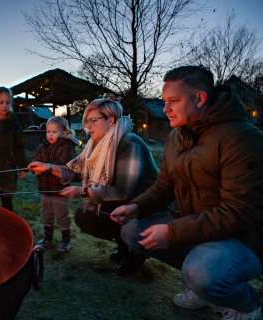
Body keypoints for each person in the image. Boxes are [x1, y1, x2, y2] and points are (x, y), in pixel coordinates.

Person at [111, 66, 263, 320]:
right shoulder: (176, 137)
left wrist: (172, 232)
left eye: (174, 101)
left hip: (245, 238)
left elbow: (240, 212)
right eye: (164, 101)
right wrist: (137, 207)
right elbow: (164, 186)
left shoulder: (243, 138)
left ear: (200, 98)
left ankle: (247, 304)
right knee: (132, 231)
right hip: (197, 226)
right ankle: (199, 282)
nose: (166, 109)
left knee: (203, 272)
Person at [28, 99, 158, 275]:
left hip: (146, 207)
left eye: (93, 121)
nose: (88, 126)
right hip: (121, 203)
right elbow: (73, 170)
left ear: (110, 120)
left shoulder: (129, 143)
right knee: (85, 215)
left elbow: (122, 191)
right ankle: (124, 245)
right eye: (86, 121)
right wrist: (48, 167)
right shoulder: (96, 145)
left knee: (107, 208)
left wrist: (82, 191)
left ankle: (136, 251)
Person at [31, 116, 77, 252]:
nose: (50, 135)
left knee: (61, 214)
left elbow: (64, 164)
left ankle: (65, 240)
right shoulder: (42, 146)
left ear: (63, 133)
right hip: (44, 188)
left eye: (54, 132)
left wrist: (46, 166)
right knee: (46, 213)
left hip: (59, 188)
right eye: (48, 131)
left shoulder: (67, 147)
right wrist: (34, 166)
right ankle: (48, 237)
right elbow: (37, 159)